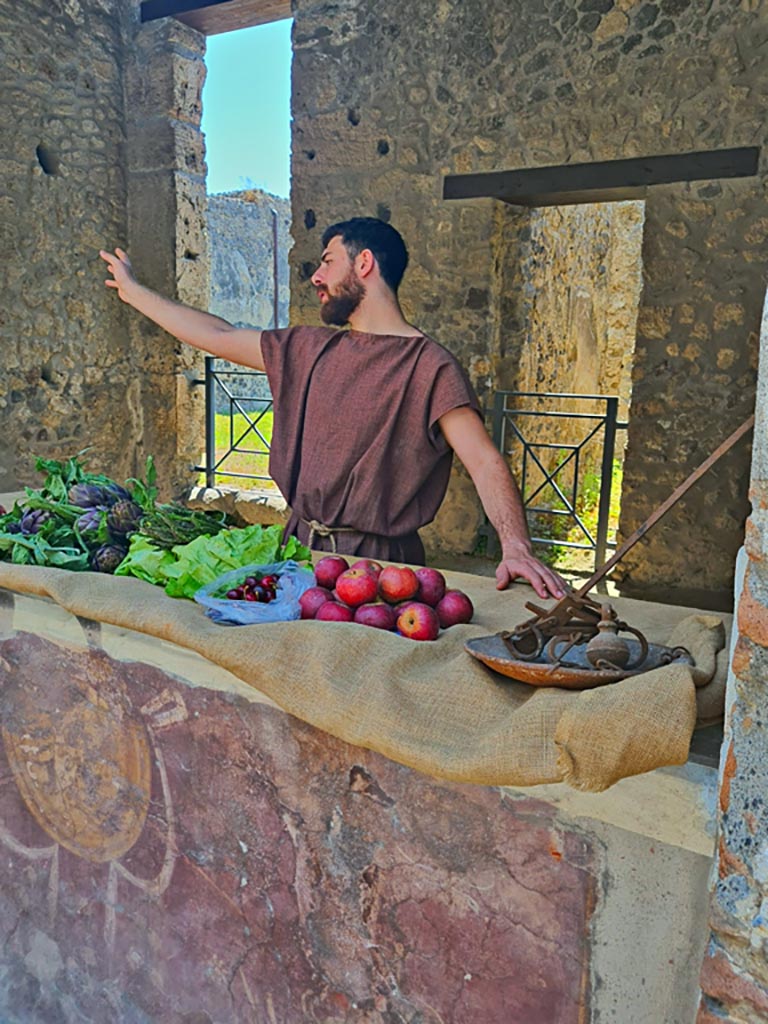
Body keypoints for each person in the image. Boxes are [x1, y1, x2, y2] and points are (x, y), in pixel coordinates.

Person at [100, 217, 565, 599]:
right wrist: (134, 293)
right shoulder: (308, 348)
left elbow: (484, 460)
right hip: (299, 560)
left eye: (327, 262)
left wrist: (516, 547)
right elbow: (219, 336)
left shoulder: (431, 367)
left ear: (364, 263)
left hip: (384, 578)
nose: (316, 277)